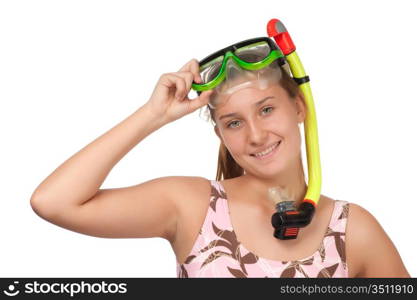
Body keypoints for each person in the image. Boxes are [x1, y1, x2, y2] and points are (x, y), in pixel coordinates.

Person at [30, 36, 410, 278]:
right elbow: (53, 202)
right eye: (233, 123)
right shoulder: (193, 207)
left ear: (299, 107)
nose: (256, 135)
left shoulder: (352, 230)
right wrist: (153, 115)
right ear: (220, 135)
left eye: (265, 110)